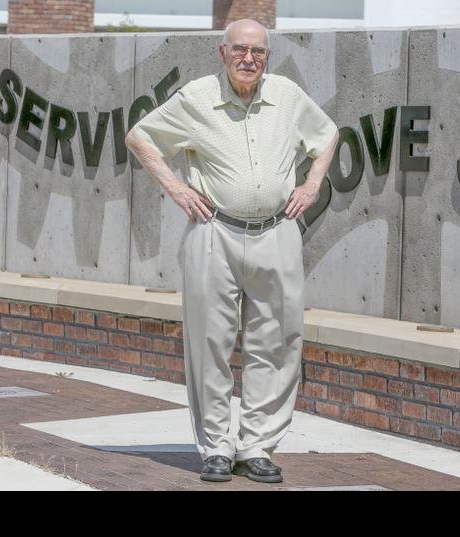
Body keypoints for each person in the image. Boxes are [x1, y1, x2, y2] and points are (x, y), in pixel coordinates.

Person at [125, 19, 339, 483]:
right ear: (222, 52)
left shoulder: (287, 96)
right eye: (240, 50)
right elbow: (139, 137)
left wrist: (313, 182)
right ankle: (217, 447)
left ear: (268, 55)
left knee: (278, 343)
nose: (249, 59)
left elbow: (327, 136)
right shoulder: (197, 98)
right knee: (209, 344)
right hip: (213, 231)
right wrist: (177, 189)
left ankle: (258, 445)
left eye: (258, 52)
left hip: (277, 231)